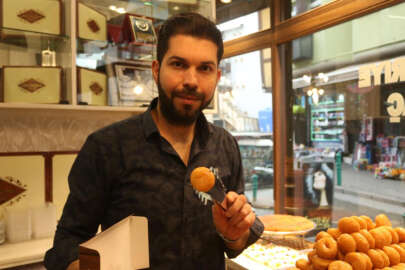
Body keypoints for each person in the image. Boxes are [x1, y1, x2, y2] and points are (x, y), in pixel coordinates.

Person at [44, 12, 263, 270]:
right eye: (179, 64)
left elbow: (234, 244)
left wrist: (233, 233)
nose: (191, 81)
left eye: (204, 68)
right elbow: (66, 243)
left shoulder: (225, 145)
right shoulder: (106, 147)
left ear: (216, 76)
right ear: (157, 70)